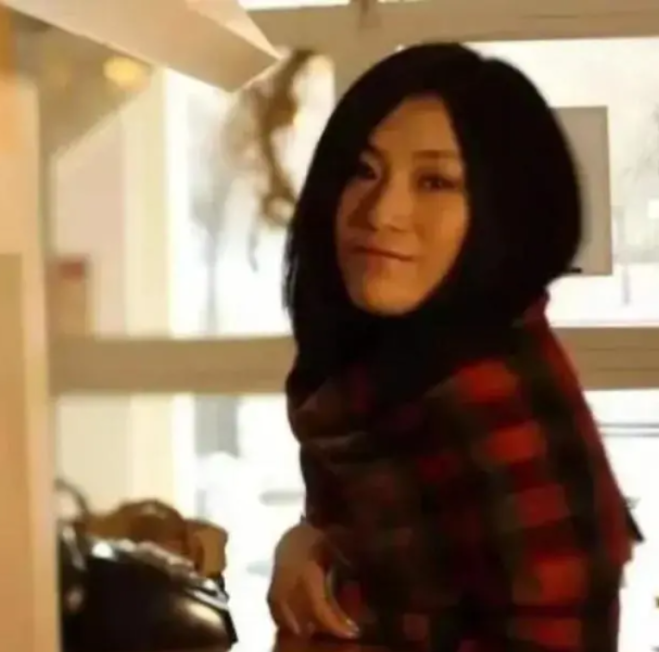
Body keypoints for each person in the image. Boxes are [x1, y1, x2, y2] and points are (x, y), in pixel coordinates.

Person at [268, 42, 639, 651]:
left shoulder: (490, 396)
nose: (382, 213)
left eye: (436, 181)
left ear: (503, 211)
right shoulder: (379, 375)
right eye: (362, 170)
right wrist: (309, 544)